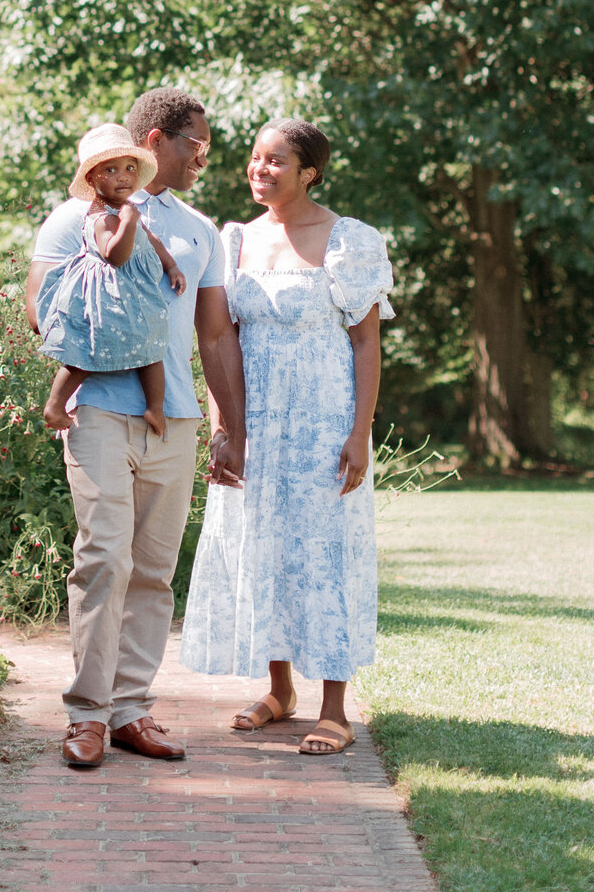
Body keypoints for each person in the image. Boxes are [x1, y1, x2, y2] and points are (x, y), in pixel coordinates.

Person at [26, 87, 247, 771]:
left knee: (152, 571)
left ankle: (129, 710)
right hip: (99, 410)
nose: (204, 158)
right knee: (103, 560)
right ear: (154, 141)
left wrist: (229, 426)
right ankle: (86, 716)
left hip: (174, 419)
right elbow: (39, 314)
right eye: (196, 145)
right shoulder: (74, 217)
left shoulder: (199, 230)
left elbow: (214, 336)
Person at [179, 119, 394, 757]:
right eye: (254, 158)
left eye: (277, 162)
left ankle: (334, 707)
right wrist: (224, 429)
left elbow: (366, 344)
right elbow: (221, 340)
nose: (260, 170)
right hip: (256, 420)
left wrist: (361, 433)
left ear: (310, 172)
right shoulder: (235, 240)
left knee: (325, 553)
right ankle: (279, 691)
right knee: (262, 545)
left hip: (325, 422)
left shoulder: (349, 241)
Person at [38, 124, 188, 437]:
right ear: (92, 178)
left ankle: (154, 408)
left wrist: (171, 266)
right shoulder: (100, 217)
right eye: (111, 169)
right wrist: (129, 224)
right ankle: (55, 404)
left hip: (139, 296)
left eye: (130, 168)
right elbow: (114, 255)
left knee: (154, 343)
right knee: (88, 351)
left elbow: (153, 241)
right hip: (108, 298)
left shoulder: (126, 211)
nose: (123, 176)